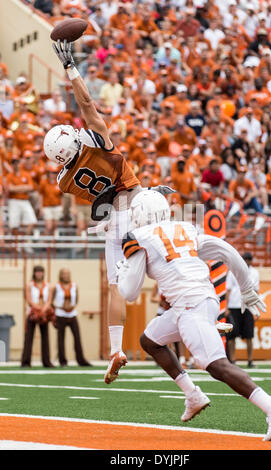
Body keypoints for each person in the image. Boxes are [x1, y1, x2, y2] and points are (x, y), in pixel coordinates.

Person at [44, 40, 173, 384]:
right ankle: (200, 309)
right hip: (139, 204)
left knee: (116, 288)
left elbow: (99, 200)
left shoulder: (64, 181)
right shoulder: (97, 140)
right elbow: (86, 103)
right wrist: (72, 68)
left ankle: (116, 348)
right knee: (169, 263)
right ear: (74, 140)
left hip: (114, 221)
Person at [116, 190, 271, 442]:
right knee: (150, 341)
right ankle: (193, 395)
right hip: (201, 301)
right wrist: (246, 289)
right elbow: (227, 250)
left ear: (142, 213)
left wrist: (122, 273)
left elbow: (130, 293)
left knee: (215, 365)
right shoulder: (185, 228)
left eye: (134, 212)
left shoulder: (139, 236)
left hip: (189, 306)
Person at [225, 252, 260, 368]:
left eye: (249, 259)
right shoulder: (233, 271)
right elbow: (228, 290)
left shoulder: (255, 273)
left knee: (249, 334)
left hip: (248, 306)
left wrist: (256, 307)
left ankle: (250, 360)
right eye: (245, 259)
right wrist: (226, 307)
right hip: (234, 306)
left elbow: (256, 291)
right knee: (232, 334)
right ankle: (233, 360)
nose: (247, 261)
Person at [50, 268, 91, 367]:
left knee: (77, 337)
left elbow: (76, 299)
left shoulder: (74, 286)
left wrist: (72, 306)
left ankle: (81, 360)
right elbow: (51, 301)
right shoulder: (56, 287)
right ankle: (62, 361)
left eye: (68, 274)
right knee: (60, 338)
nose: (66, 276)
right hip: (60, 314)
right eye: (64, 274)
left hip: (72, 314)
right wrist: (60, 307)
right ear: (61, 275)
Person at [21, 265, 55, 368]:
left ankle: (46, 361)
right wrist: (38, 309)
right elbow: (29, 300)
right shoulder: (29, 285)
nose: (39, 274)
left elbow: (49, 300)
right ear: (34, 273)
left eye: (41, 272)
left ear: (43, 273)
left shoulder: (48, 286)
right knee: (29, 337)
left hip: (44, 314)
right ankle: (26, 362)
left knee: (45, 337)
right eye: (37, 272)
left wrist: (44, 309)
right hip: (32, 313)